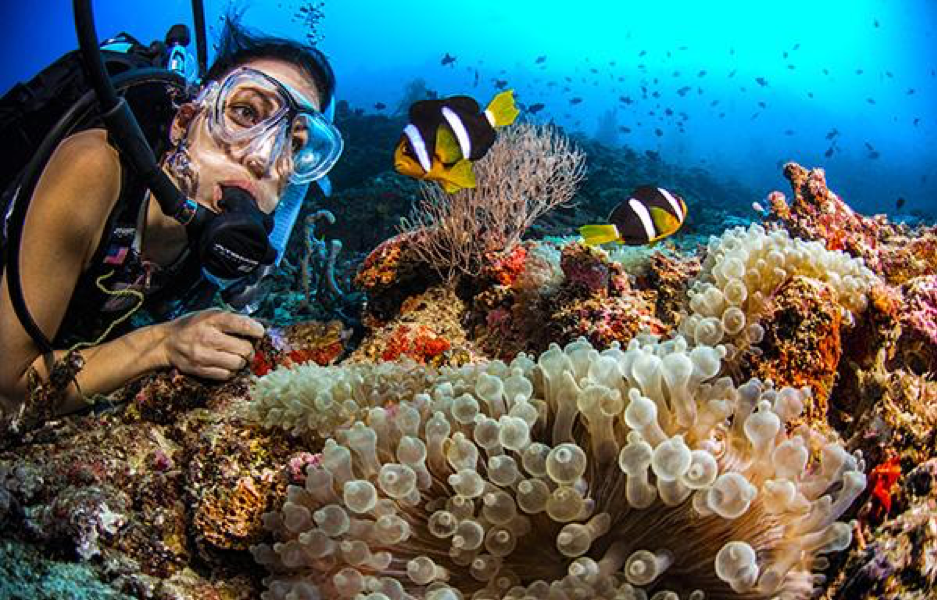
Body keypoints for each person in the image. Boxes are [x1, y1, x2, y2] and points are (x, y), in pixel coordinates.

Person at [0, 19, 342, 419]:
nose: (262, 158)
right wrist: (162, 344)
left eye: (295, 143)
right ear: (184, 121)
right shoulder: (94, 167)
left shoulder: (229, 242)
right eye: (245, 112)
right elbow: (7, 390)